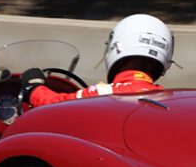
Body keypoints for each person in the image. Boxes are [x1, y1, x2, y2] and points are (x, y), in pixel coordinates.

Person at [20, 14, 173, 108]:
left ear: (116, 46)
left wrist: (33, 88)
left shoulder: (102, 93)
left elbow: (54, 105)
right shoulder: (168, 98)